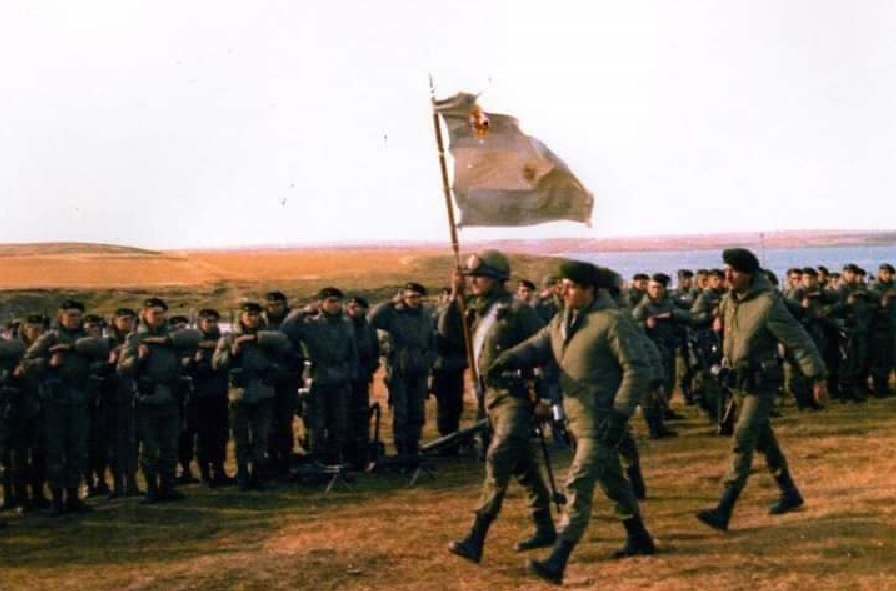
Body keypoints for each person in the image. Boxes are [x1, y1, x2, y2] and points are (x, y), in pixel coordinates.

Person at [491, 261, 656, 585]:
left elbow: (638, 369)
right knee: (612, 480)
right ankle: (639, 537)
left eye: (571, 286)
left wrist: (621, 412)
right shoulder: (563, 321)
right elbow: (537, 345)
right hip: (578, 418)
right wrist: (506, 360)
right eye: (563, 285)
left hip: (603, 419)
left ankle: (558, 558)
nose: (564, 290)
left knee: (578, 483)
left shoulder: (613, 322)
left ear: (591, 290)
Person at [696, 248, 827, 532]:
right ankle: (789, 492)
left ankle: (724, 507)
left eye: (735, 271)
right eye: (726, 270)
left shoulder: (768, 304)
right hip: (739, 384)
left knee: (743, 438)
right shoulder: (730, 302)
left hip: (762, 384)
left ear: (750, 274)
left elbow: (799, 341)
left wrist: (816, 377)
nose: (728, 276)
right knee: (763, 439)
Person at [444, 250, 555, 564]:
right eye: (471, 277)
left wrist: (545, 397)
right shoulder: (480, 310)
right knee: (523, 465)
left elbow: (546, 349)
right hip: (489, 397)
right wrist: (455, 296)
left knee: (500, 456)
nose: (474, 282)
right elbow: (448, 333)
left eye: (479, 276)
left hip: (516, 396)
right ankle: (545, 525)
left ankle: (476, 535)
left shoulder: (518, 311)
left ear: (497, 278)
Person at [21, 300, 110, 515]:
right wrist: (49, 363)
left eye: (78, 316)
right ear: (61, 316)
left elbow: (103, 351)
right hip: (55, 403)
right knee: (56, 452)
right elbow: (25, 364)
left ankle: (73, 496)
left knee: (78, 451)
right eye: (70, 315)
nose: (75, 319)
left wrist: (75, 351)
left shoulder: (85, 339)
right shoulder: (49, 338)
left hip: (79, 402)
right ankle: (58, 498)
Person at [213, 302, 291, 490]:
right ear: (241, 317)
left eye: (256, 315)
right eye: (248, 315)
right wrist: (233, 352)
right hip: (239, 394)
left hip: (263, 392)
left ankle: (258, 473)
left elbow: (284, 344)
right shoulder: (229, 339)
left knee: (261, 436)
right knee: (241, 438)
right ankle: (242, 473)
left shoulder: (267, 338)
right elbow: (217, 364)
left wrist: (257, 338)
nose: (252, 318)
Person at [370, 282, 434, 466]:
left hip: (420, 368)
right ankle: (402, 450)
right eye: (411, 296)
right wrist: (391, 303)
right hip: (399, 368)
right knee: (401, 411)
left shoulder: (426, 315)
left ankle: (415, 447)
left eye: (418, 297)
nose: (415, 300)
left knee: (418, 411)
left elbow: (431, 339)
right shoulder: (393, 314)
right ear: (404, 297)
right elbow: (373, 319)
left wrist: (431, 358)